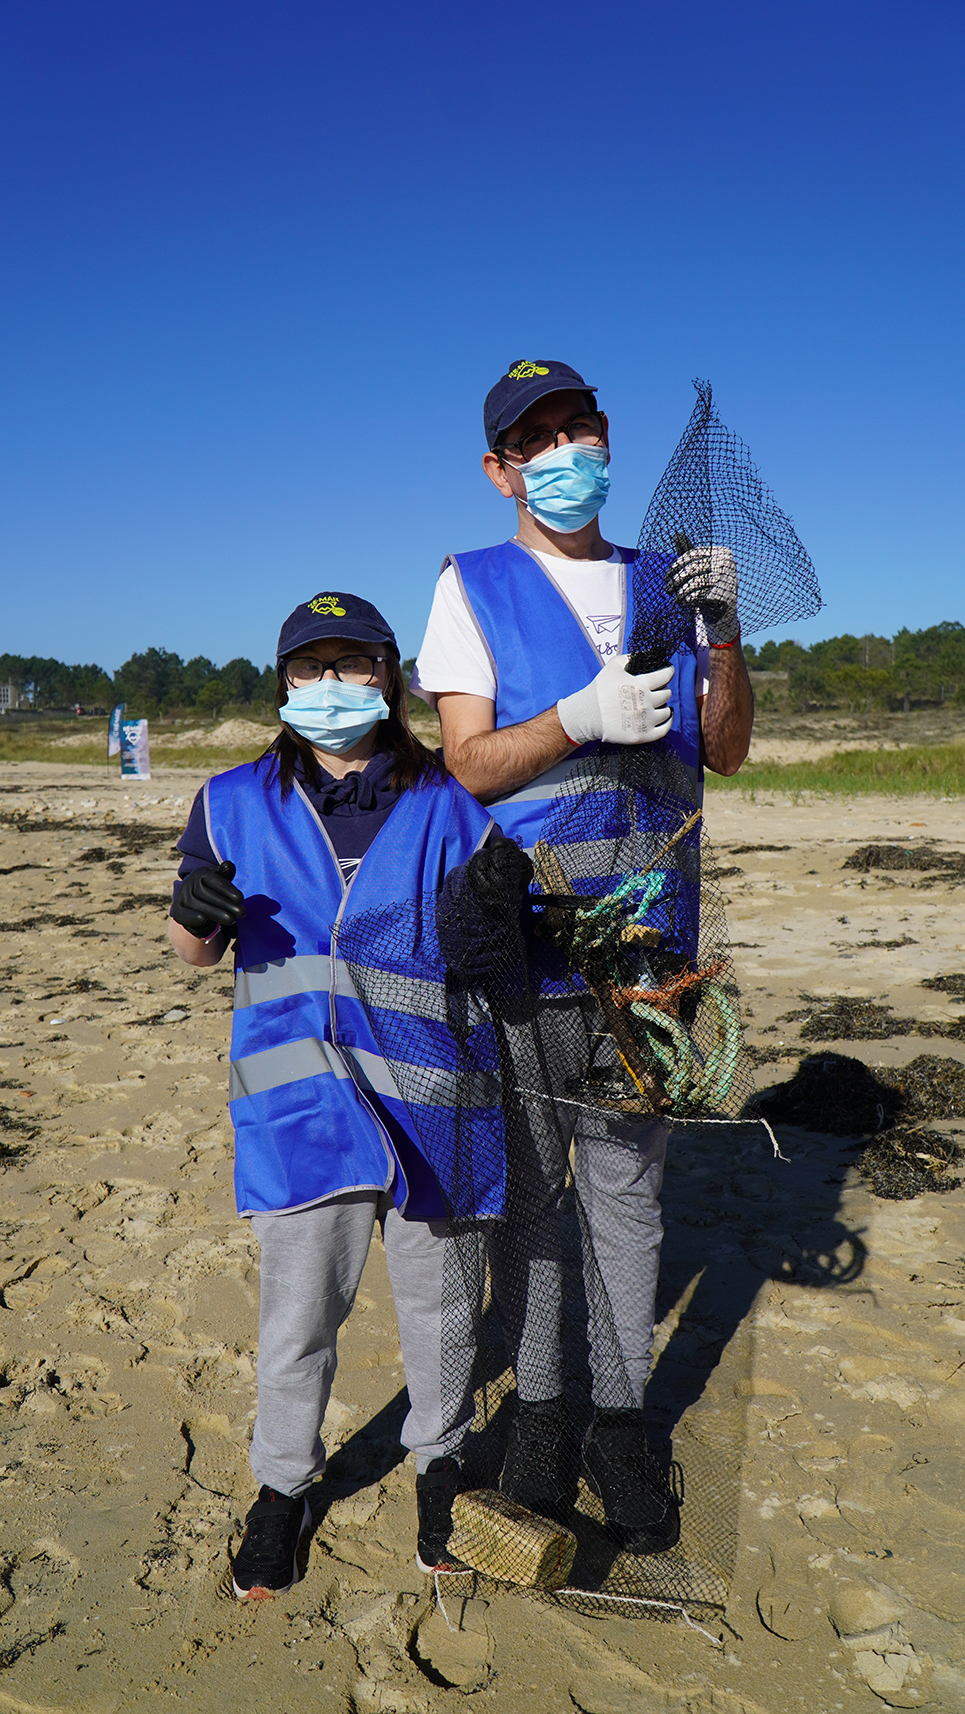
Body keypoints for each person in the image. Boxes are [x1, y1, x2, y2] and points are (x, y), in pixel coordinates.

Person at [411, 360, 754, 1551]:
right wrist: (578, 717)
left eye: (581, 428)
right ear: (499, 468)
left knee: (626, 1197)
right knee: (535, 1199)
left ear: (608, 441)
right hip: (525, 946)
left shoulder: (664, 583)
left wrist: (720, 633)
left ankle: (618, 1422)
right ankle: (542, 1415)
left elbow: (725, 747)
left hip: (648, 955)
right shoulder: (473, 587)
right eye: (536, 438)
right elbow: (466, 762)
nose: (565, 451)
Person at [167, 590, 520, 1597]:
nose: (331, 686)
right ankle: (282, 1491)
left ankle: (439, 1474)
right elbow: (196, 953)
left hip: (434, 1109)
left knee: (445, 1320)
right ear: (283, 686)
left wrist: (506, 916)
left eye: (351, 665)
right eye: (309, 668)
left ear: (388, 675)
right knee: (295, 1325)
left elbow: (495, 959)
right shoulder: (232, 800)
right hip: (298, 1114)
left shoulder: (452, 801)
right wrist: (192, 915)